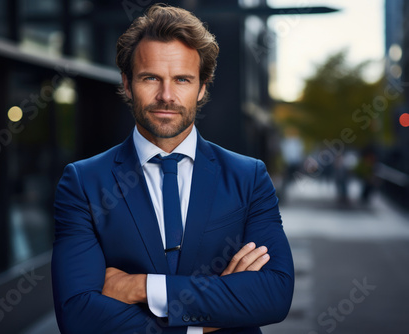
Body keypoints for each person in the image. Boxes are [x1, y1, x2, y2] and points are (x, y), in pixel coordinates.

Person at [52, 4, 294, 334]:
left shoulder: (248, 177)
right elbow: (77, 315)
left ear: (202, 87)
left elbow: (274, 294)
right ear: (126, 83)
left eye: (182, 79)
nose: (167, 96)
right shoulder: (83, 183)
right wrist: (206, 321)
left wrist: (142, 287)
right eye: (150, 78)